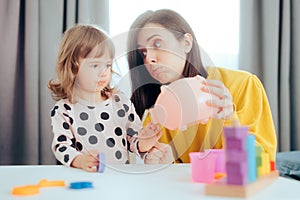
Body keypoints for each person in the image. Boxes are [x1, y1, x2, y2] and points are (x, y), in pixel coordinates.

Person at [126, 9, 277, 163]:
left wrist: (230, 119)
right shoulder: (158, 113)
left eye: (157, 44)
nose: (149, 58)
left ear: (186, 43)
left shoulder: (243, 84)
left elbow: (263, 161)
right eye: (143, 53)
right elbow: (174, 176)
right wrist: (165, 163)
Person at [48, 24, 173, 172]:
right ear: (73, 68)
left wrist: (144, 140)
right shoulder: (63, 110)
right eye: (95, 66)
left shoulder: (120, 103)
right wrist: (79, 160)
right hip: (84, 179)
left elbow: (132, 141)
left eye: (107, 65)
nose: (103, 72)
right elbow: (61, 146)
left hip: (120, 179)